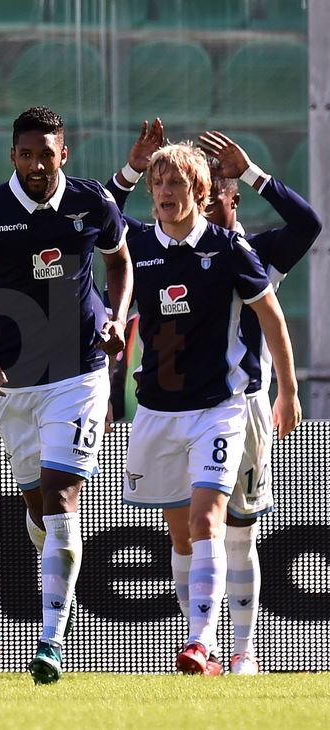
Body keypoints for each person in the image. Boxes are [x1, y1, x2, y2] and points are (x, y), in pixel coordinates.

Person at [109, 126, 321, 674]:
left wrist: (287, 392)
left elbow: (307, 229)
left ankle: (226, 648)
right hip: (158, 409)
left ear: (212, 193)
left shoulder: (245, 251)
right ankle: (201, 640)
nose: (167, 190)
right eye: (159, 181)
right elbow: (93, 221)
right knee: (184, 532)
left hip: (236, 404)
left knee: (228, 525)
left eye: (179, 180)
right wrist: (130, 170)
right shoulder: (141, 246)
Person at [0, 106, 132, 684]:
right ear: (13, 156)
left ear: (63, 154)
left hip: (80, 372)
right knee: (38, 507)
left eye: (47, 154)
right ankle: (56, 555)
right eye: (26, 154)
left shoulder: (92, 201)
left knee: (62, 496)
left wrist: (118, 317)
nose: (37, 165)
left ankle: (50, 642)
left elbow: (119, 264)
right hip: (13, 384)